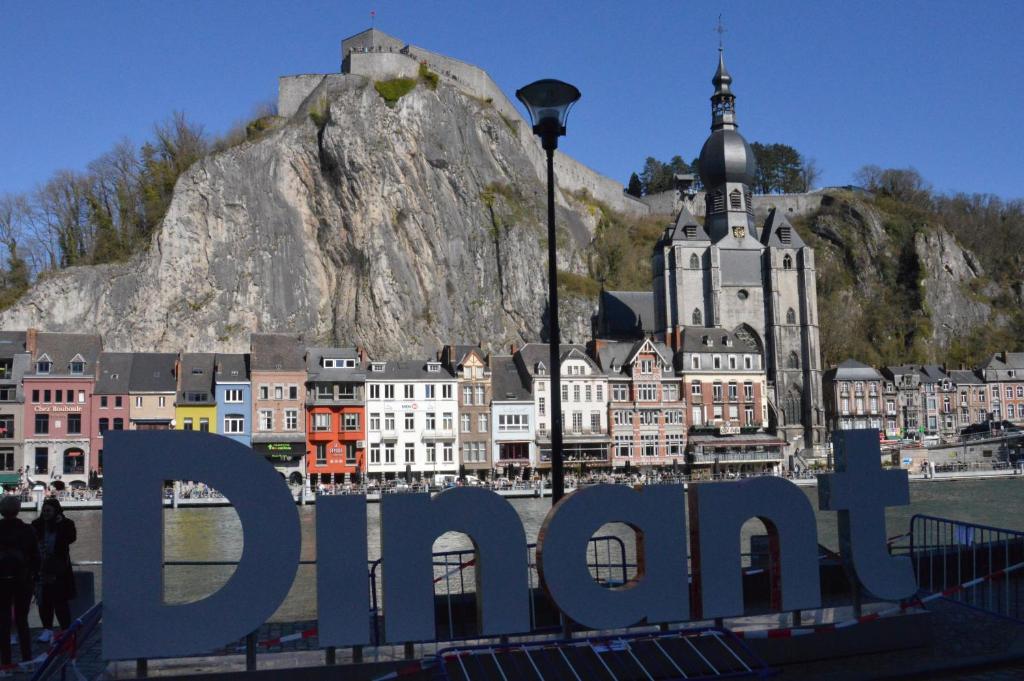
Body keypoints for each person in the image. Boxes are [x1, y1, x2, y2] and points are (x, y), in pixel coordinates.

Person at [0, 495, 38, 668]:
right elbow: (36, 557)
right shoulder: (27, 530)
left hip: (1, 579)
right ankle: (27, 657)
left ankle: (5, 661)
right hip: (23, 579)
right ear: (18, 509)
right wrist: (33, 575)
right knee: (22, 619)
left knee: (3, 620)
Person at [31, 498, 76, 643]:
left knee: (60, 600)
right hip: (41, 568)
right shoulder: (36, 525)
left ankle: (65, 630)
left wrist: (60, 524)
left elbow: (71, 538)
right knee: (44, 601)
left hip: (59, 569)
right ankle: (47, 629)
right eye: (44, 510)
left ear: (56, 511)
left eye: (48, 511)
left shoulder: (67, 524)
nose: (45, 513)